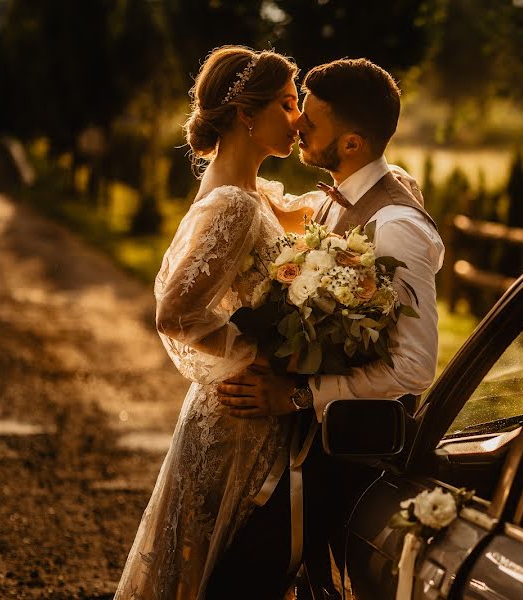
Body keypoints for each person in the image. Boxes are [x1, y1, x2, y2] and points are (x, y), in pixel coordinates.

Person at [213, 58, 444, 598]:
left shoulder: (397, 228)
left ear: (352, 145)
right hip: (311, 453)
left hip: (352, 465)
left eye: (310, 122)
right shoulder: (338, 198)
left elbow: (414, 367)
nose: (297, 127)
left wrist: (297, 396)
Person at [115, 45, 319, 600]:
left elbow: (304, 212)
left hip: (250, 415)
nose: (298, 118)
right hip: (236, 416)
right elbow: (175, 312)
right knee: (211, 566)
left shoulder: (251, 194)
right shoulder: (232, 204)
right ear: (245, 114)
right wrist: (265, 357)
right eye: (286, 103)